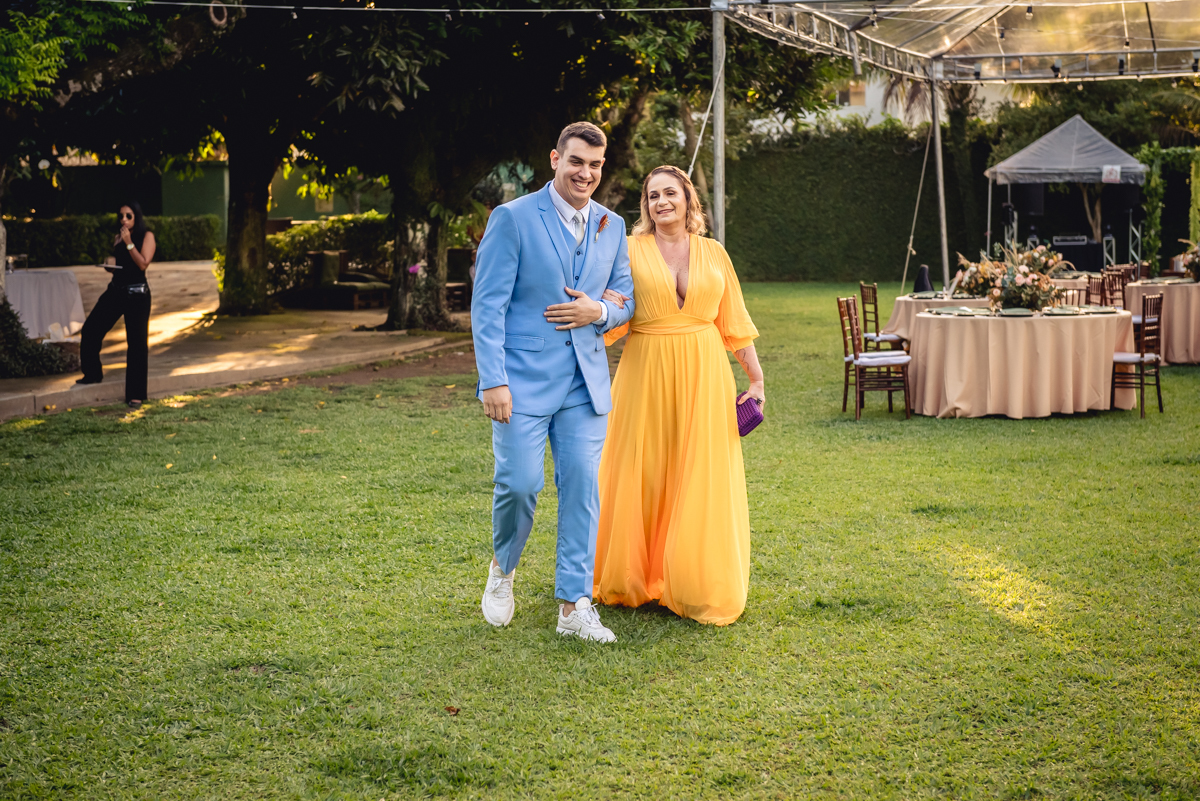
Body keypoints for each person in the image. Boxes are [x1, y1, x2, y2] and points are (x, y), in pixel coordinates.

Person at [472, 122, 635, 642]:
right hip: (519, 383)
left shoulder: (613, 224)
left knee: (583, 489)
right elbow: (488, 305)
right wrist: (492, 380)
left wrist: (599, 313)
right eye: (576, 162)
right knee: (520, 485)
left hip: (585, 384)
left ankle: (573, 606)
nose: (585, 173)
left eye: (595, 164)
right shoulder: (513, 218)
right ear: (555, 160)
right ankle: (503, 569)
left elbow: (625, 298)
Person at [592, 165, 764, 626]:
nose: (661, 201)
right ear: (645, 206)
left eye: (671, 193)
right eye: (652, 196)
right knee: (640, 467)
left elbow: (734, 323)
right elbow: (610, 311)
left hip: (705, 373)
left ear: (689, 200)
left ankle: (693, 580)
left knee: (699, 471)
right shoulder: (627, 251)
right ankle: (633, 576)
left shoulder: (713, 253)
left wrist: (757, 379)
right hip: (644, 368)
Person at [77, 201, 156, 408]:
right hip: (116, 291)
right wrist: (109, 265)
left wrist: (129, 243)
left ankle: (136, 395)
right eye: (121, 216)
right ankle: (92, 373)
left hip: (137, 294)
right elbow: (118, 265)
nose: (123, 220)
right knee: (91, 329)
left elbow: (142, 263)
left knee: (137, 345)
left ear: (136, 217)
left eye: (128, 216)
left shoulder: (146, 236)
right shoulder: (118, 237)